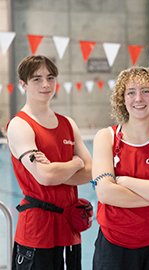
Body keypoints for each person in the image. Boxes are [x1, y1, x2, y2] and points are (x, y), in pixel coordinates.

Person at [91, 66, 149, 270]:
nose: (138, 99)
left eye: (146, 91)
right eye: (131, 92)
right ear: (122, 99)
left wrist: (125, 182)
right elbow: (106, 193)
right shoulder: (106, 137)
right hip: (114, 244)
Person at [7, 55, 92, 270]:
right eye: (36, 79)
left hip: (69, 229)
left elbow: (91, 172)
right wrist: (75, 162)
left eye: (50, 77)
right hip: (37, 231)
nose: (45, 84)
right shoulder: (19, 125)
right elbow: (45, 176)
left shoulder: (67, 123)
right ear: (23, 84)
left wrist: (56, 169)